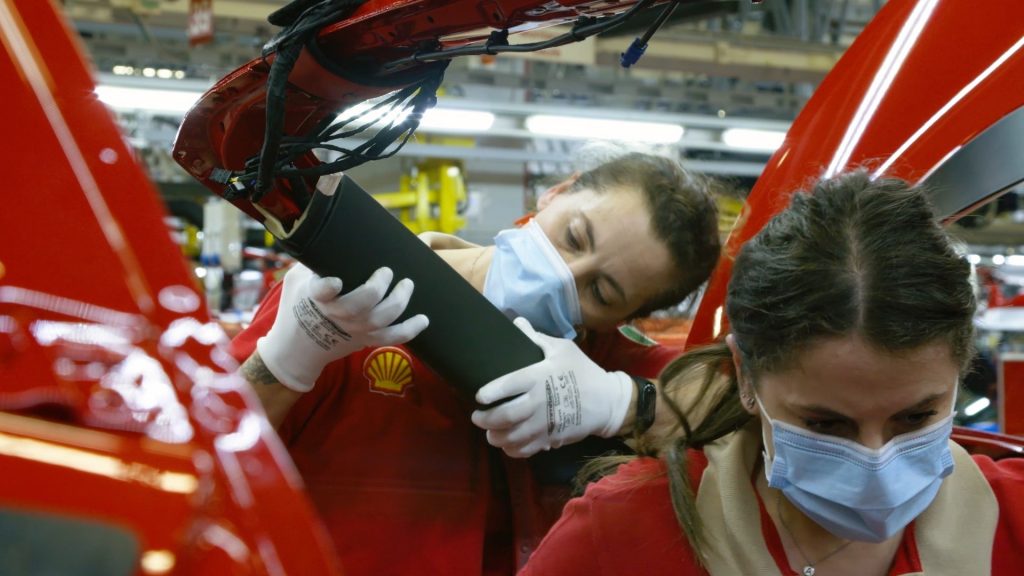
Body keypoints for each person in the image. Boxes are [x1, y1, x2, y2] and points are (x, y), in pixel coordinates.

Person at [229, 150, 722, 576]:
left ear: (624, 318)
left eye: (600, 291)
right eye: (574, 237)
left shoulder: (599, 361)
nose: (562, 275)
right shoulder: (353, 296)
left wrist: (622, 401)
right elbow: (206, 459)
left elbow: (743, 402)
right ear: (555, 193)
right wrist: (285, 360)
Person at [519, 171, 1024, 576]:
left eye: (916, 417)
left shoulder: (1013, 518)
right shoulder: (626, 530)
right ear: (744, 376)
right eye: (826, 425)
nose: (876, 463)